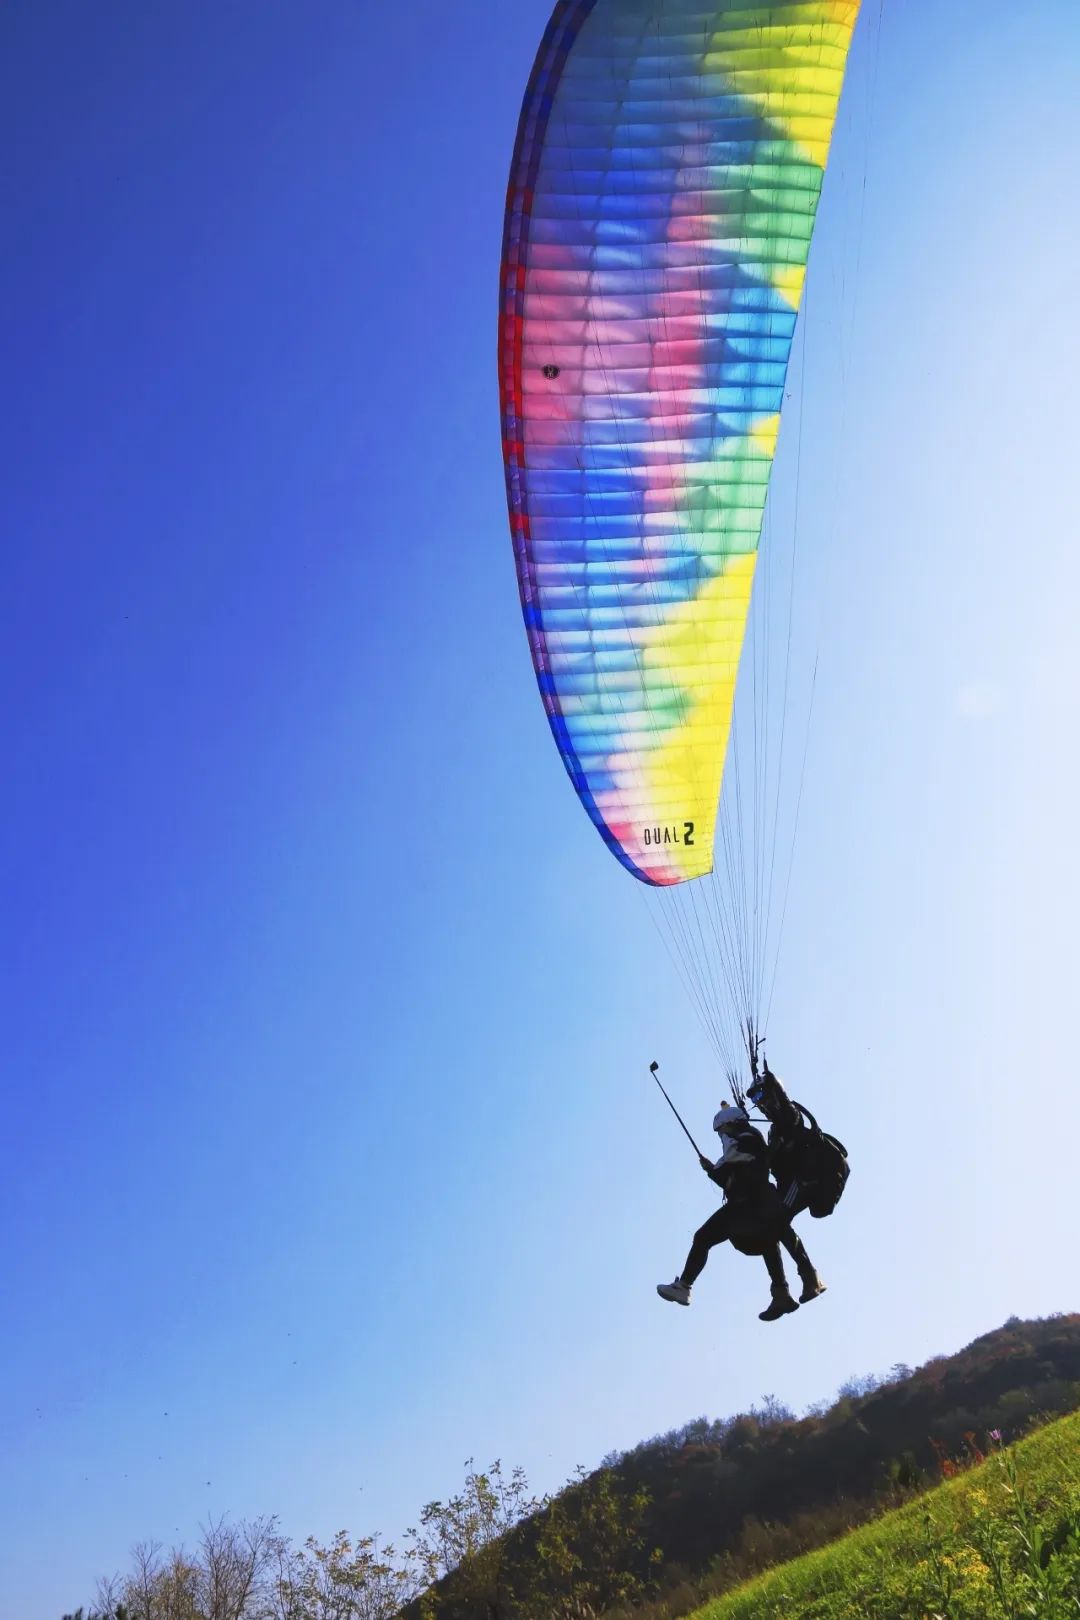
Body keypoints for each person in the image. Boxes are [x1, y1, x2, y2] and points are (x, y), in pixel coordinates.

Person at [656, 1103, 823, 1322]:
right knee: (769, 1240)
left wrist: (718, 1167)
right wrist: (713, 1171)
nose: (722, 1136)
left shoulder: (748, 1138)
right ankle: (782, 1295)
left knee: (705, 1238)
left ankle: (685, 1286)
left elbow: (738, 1159)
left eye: (722, 1131)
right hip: (749, 1205)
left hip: (747, 1205)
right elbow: (732, 1177)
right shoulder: (744, 1143)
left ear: (731, 1124)